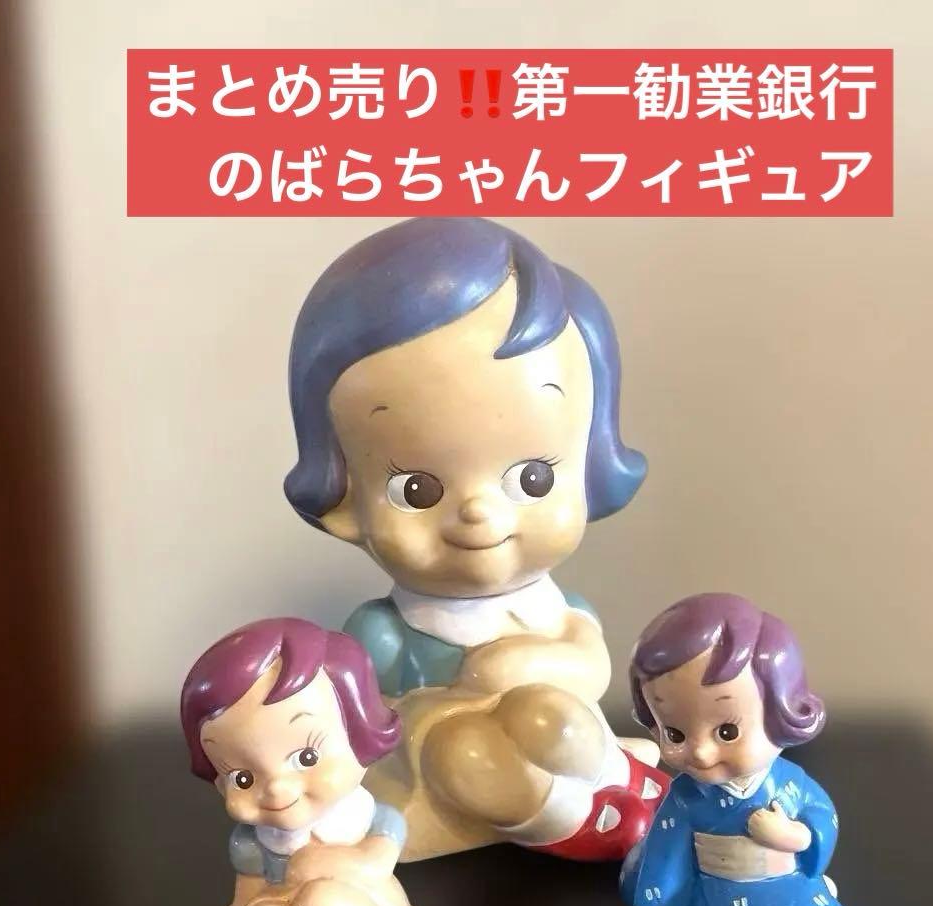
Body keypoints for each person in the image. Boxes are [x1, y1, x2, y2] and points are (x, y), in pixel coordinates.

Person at [284, 218, 665, 861]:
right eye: (418, 490)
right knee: (464, 753)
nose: (480, 514)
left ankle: (619, 782)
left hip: (564, 736)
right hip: (446, 759)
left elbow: (591, 667)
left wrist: (517, 669)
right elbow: (365, 724)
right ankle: (581, 824)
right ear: (344, 495)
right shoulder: (382, 633)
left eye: (534, 478)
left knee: (555, 718)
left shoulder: (556, 611)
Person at [180, 617, 443, 906]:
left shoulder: (365, 817)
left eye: (306, 757)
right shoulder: (253, 841)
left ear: (361, 737)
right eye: (242, 777)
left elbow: (377, 862)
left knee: (322, 903)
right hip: (284, 904)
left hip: (361, 901)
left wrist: (335, 865)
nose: (276, 788)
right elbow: (249, 889)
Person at [618, 593, 854, 906]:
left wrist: (796, 837)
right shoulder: (687, 798)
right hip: (722, 890)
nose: (700, 752)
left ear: (780, 714)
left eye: (726, 731)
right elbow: (666, 851)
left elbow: (821, 814)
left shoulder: (790, 783)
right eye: (674, 733)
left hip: (790, 882)